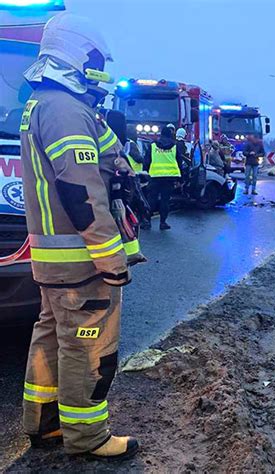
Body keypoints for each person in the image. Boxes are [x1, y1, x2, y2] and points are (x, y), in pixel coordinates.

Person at [19, 13, 140, 460]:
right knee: (88, 346)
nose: (98, 72)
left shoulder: (46, 104)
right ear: (74, 55)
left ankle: (46, 422)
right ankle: (88, 436)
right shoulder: (66, 110)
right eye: (93, 61)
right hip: (81, 263)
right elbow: (81, 192)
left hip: (55, 261)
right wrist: (112, 260)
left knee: (52, 336)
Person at [144, 125, 181, 230]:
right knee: (165, 201)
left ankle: (147, 222)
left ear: (161, 134)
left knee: (151, 200)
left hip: (154, 176)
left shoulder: (153, 146)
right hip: (169, 178)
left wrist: (146, 173)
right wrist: (180, 179)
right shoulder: (174, 146)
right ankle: (163, 223)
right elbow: (179, 162)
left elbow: (147, 161)